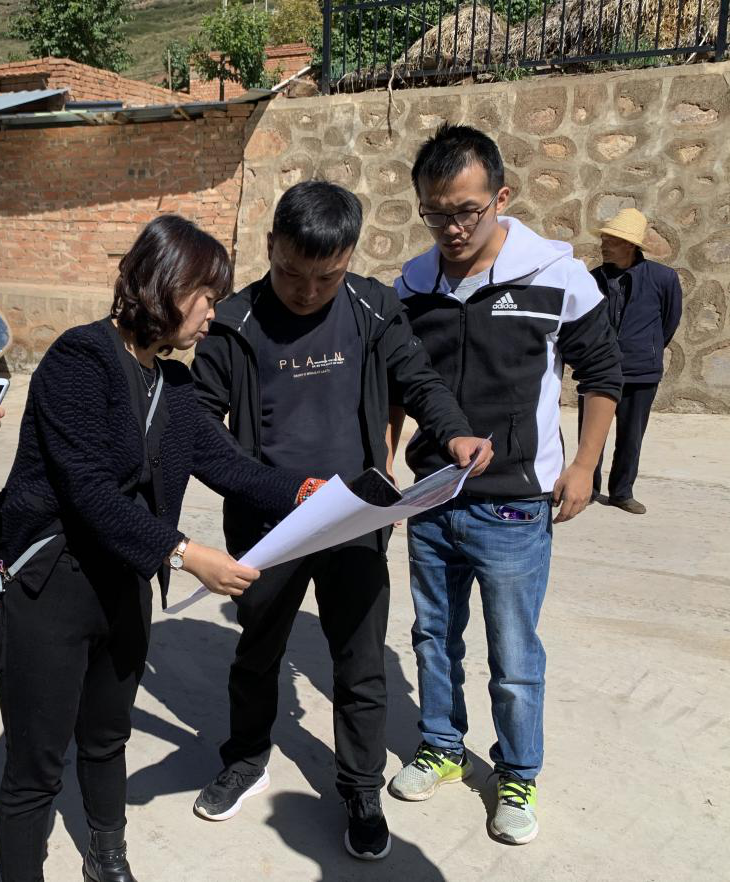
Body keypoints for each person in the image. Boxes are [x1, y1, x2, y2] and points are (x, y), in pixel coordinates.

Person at [0, 214, 327, 882]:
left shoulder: (176, 386)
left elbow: (235, 470)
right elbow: (89, 492)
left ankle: (107, 859)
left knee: (108, 737)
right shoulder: (79, 360)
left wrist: (319, 494)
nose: (213, 315)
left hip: (124, 587)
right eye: (207, 297)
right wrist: (186, 553)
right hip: (52, 586)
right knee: (36, 765)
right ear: (169, 285)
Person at [189, 180, 493, 862]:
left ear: (350, 258)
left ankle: (360, 788)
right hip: (269, 523)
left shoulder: (372, 306)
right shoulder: (234, 322)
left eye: (326, 277)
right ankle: (245, 759)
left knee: (360, 662)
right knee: (257, 651)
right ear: (271, 246)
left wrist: (454, 432)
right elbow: (201, 428)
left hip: (356, 517)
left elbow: (419, 380)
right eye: (291, 273)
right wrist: (264, 488)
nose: (307, 291)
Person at [387, 124, 622, 846]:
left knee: (514, 655)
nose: (452, 229)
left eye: (467, 210)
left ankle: (518, 772)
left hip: (516, 506)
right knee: (433, 636)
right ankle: (442, 746)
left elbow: (603, 374)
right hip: (433, 498)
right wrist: (384, 461)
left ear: (502, 197)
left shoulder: (556, 276)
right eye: (436, 214)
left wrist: (583, 465)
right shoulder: (412, 285)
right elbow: (396, 383)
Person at [578, 207, 682, 514]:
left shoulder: (664, 278)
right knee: (590, 434)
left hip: (641, 371)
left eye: (611, 240)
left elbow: (669, 322)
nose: (604, 245)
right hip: (597, 371)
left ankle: (622, 492)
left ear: (630, 245)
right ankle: (587, 489)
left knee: (631, 436)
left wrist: (647, 349)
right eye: (604, 238)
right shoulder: (592, 279)